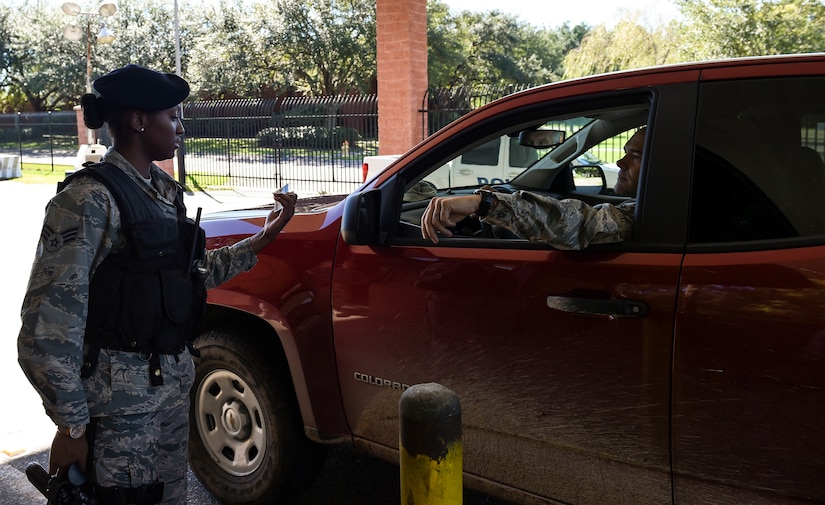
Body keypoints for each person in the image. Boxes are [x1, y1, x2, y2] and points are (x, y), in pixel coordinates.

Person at [17, 64, 297, 505]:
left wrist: (265, 237)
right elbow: (48, 325)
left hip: (169, 397)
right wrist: (71, 425)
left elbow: (190, 276)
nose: (181, 127)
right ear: (138, 120)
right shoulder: (88, 200)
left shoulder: (163, 192)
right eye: (173, 116)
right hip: (118, 413)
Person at [421, 127, 646, 249]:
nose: (620, 162)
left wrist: (486, 203)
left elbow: (577, 223)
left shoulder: (650, 215)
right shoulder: (653, 207)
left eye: (635, 155)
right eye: (625, 151)